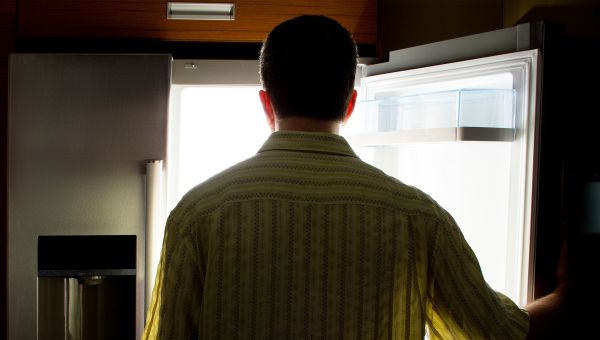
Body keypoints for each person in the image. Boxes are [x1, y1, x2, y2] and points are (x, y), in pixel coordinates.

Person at [143, 15, 565, 340]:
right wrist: (568, 295)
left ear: (265, 103)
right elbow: (501, 333)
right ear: (350, 104)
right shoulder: (418, 218)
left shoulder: (197, 214)